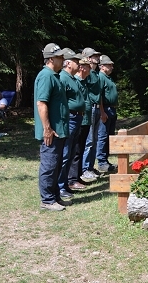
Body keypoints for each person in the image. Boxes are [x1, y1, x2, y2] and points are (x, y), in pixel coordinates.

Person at [34, 43, 70, 211]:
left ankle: (54, 196)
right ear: (50, 59)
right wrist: (47, 128)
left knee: (56, 165)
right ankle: (47, 200)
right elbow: (41, 103)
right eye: (59, 57)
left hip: (59, 130)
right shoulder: (46, 76)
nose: (63, 59)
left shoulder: (55, 76)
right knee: (49, 165)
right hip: (51, 131)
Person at [57, 49, 86, 199]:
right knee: (65, 153)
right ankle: (60, 187)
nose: (79, 64)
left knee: (71, 153)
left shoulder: (72, 78)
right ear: (67, 63)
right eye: (76, 61)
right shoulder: (62, 78)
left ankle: (66, 183)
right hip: (70, 119)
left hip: (77, 119)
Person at [81, 47, 106, 183]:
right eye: (94, 56)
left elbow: (99, 94)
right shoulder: (86, 73)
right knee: (89, 141)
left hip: (97, 109)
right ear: (89, 58)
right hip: (89, 108)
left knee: (95, 140)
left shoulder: (96, 74)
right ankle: (85, 169)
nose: (97, 58)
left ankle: (90, 167)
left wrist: (102, 111)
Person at [67, 56, 93, 190]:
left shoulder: (83, 81)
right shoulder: (75, 81)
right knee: (75, 150)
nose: (91, 68)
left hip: (85, 119)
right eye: (88, 66)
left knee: (80, 148)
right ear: (82, 67)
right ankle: (71, 179)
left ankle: (77, 177)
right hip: (79, 120)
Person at [96, 55, 118, 174]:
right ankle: (101, 161)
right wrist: (102, 112)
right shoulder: (100, 77)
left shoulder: (108, 78)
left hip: (112, 110)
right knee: (103, 136)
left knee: (109, 135)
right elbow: (99, 96)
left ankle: (106, 160)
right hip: (105, 109)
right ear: (102, 66)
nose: (112, 67)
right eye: (109, 65)